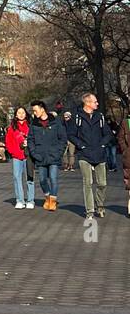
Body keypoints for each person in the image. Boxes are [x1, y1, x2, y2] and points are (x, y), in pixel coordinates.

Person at [74, 92, 109, 225]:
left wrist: (102, 144)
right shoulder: (77, 117)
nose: (97, 104)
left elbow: (107, 134)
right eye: (95, 102)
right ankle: (90, 210)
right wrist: (81, 146)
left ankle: (100, 205)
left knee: (102, 183)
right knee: (87, 183)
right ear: (87, 103)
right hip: (85, 154)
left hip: (99, 154)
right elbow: (71, 134)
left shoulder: (100, 117)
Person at [26, 101, 67, 211]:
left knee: (53, 178)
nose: (34, 113)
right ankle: (47, 197)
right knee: (43, 180)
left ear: (42, 109)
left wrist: (59, 152)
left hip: (54, 156)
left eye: (35, 110)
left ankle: (53, 201)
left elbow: (63, 138)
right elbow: (30, 140)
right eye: (33, 111)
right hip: (40, 156)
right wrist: (34, 153)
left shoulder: (55, 122)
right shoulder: (34, 124)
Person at [6, 107, 34, 208]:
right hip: (16, 156)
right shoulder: (12, 127)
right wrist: (13, 152)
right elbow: (8, 142)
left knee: (29, 178)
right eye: (19, 113)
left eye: (23, 112)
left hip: (28, 155)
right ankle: (20, 200)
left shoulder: (31, 126)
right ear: (16, 115)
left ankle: (30, 200)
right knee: (17, 177)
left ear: (26, 114)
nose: (21, 114)